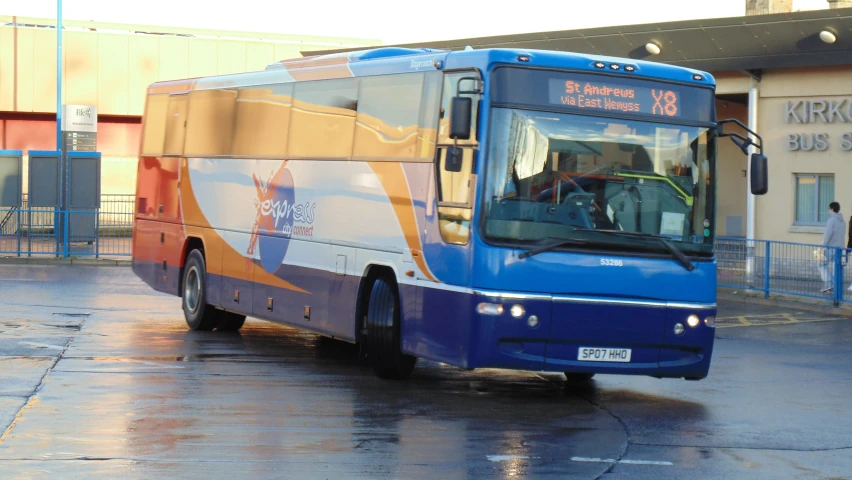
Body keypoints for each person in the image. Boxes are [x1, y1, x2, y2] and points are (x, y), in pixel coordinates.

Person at [819, 201, 846, 293]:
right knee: (836, 268)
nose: (829, 211)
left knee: (820, 264)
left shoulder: (831, 220)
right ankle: (834, 288)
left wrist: (822, 247)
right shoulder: (843, 221)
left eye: (829, 209)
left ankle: (829, 283)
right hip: (839, 248)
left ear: (832, 209)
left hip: (831, 248)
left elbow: (827, 235)